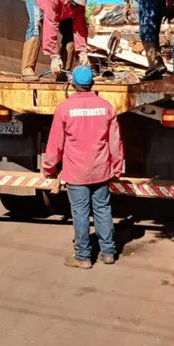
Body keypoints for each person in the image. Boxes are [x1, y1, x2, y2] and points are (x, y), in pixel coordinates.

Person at [42, 66, 125, 269]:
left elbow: (55, 143)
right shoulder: (106, 107)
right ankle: (108, 253)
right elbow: (115, 141)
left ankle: (84, 257)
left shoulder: (64, 108)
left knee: (80, 213)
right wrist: (117, 167)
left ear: (73, 85)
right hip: (100, 170)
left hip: (76, 172)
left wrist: (49, 168)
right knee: (103, 210)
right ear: (92, 84)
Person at [21, 0, 90, 81]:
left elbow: (80, 27)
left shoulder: (78, 3)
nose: (76, 4)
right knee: (36, 24)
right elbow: (50, 24)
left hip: (61, 4)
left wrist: (82, 51)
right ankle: (27, 69)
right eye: (75, 0)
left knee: (69, 32)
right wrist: (55, 57)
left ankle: (63, 72)